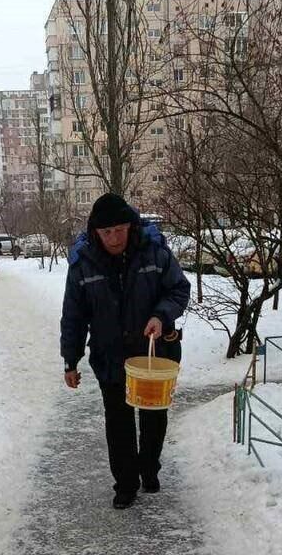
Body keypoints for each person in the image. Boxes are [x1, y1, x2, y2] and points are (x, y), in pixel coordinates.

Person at [60, 192, 189, 510]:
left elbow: (179, 289)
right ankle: (126, 484)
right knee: (118, 422)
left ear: (130, 226)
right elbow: (74, 315)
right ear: (95, 232)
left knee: (154, 415)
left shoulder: (154, 253)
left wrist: (161, 315)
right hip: (110, 356)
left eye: (120, 229)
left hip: (154, 353)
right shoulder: (83, 264)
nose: (114, 238)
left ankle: (149, 468)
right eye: (106, 232)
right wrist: (70, 360)